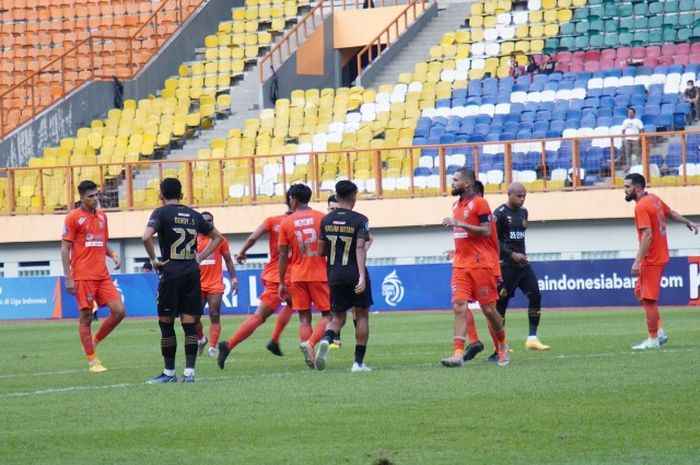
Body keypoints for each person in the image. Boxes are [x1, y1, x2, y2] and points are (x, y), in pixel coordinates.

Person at [142, 178, 224, 383]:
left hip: (171, 271)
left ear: (161, 195)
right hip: (191, 271)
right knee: (189, 323)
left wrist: (154, 261)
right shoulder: (194, 215)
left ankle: (169, 373)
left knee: (166, 323)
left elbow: (146, 237)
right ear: (182, 194)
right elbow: (218, 237)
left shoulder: (160, 213)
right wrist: (200, 257)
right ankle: (190, 372)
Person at [440, 168, 509, 367]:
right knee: (459, 306)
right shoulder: (455, 205)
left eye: (455, 180)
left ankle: (502, 345)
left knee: (488, 309)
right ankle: (458, 354)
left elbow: (486, 231)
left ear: (467, 184)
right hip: (461, 265)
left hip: (481, 265)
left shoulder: (480, 202)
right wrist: (456, 251)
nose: (452, 183)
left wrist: (459, 223)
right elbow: (464, 238)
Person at [216, 199, 295, 369]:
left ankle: (275, 340)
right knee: (260, 315)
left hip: (273, 272)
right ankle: (228, 345)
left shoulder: (272, 221)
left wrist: (242, 252)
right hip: (284, 276)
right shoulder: (300, 222)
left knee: (293, 303)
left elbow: (253, 237)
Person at [623, 173, 698, 349]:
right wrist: (687, 222)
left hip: (651, 258)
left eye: (627, 187)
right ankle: (659, 331)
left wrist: (637, 261)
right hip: (661, 255)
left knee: (648, 299)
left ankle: (653, 339)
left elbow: (647, 235)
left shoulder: (641, 206)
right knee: (639, 292)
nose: (624, 191)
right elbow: (670, 213)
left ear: (638, 188)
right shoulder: (654, 199)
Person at [61, 180, 125, 373]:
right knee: (86, 317)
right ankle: (92, 361)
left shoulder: (103, 217)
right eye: (91, 196)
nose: (95, 199)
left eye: (97, 195)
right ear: (81, 198)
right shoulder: (73, 218)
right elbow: (65, 249)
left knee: (119, 311)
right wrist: (68, 277)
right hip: (83, 275)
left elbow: (101, 241)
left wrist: (112, 254)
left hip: (102, 275)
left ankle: (94, 341)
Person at [315, 181, 373, 372]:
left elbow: (321, 250)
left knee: (337, 317)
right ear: (354, 196)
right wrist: (362, 277)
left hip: (335, 274)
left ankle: (326, 339)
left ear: (336, 196)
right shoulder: (360, 219)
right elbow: (359, 247)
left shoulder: (326, 220)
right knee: (362, 315)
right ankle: (358, 362)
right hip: (355, 273)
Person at [491, 182, 549, 362]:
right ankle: (499, 348)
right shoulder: (499, 214)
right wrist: (511, 254)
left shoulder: (524, 212)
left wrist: (519, 255)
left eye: (524, 196)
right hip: (505, 266)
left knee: (536, 295)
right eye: (518, 196)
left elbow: (519, 239)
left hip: (523, 265)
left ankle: (532, 338)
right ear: (509, 194)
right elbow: (493, 241)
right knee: (501, 306)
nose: (522, 199)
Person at [278, 183, 331, 368]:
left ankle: (310, 358)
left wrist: (281, 283)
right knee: (328, 315)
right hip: (319, 273)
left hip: (297, 275)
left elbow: (283, 255)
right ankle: (310, 344)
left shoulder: (286, 222)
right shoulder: (322, 218)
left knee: (304, 318)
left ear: (293, 199)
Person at [195, 211, 238, 357]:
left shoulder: (220, 240)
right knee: (194, 317)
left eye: (210, 220)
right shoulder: (192, 240)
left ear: (213, 222)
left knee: (214, 314)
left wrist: (234, 279)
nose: (207, 223)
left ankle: (212, 347)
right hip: (197, 284)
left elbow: (228, 260)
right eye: (204, 220)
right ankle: (201, 340)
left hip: (215, 284)